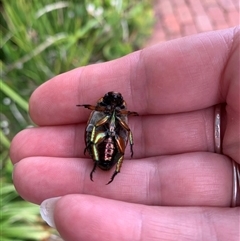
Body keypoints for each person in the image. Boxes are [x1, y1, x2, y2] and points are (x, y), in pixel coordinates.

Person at [10, 27, 239, 241]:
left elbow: (125, 129)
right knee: (104, 142)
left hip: (110, 141)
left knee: (116, 146)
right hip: (100, 140)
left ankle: (112, 163)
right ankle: (103, 160)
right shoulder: (101, 113)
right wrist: (96, 136)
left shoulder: (119, 116)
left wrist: (122, 138)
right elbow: (92, 127)